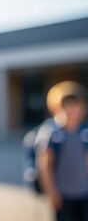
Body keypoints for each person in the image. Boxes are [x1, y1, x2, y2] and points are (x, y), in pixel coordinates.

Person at [39, 93, 88, 221]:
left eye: (75, 106)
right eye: (67, 106)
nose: (71, 110)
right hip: (62, 195)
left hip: (83, 194)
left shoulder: (84, 133)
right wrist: (51, 192)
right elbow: (45, 166)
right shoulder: (53, 135)